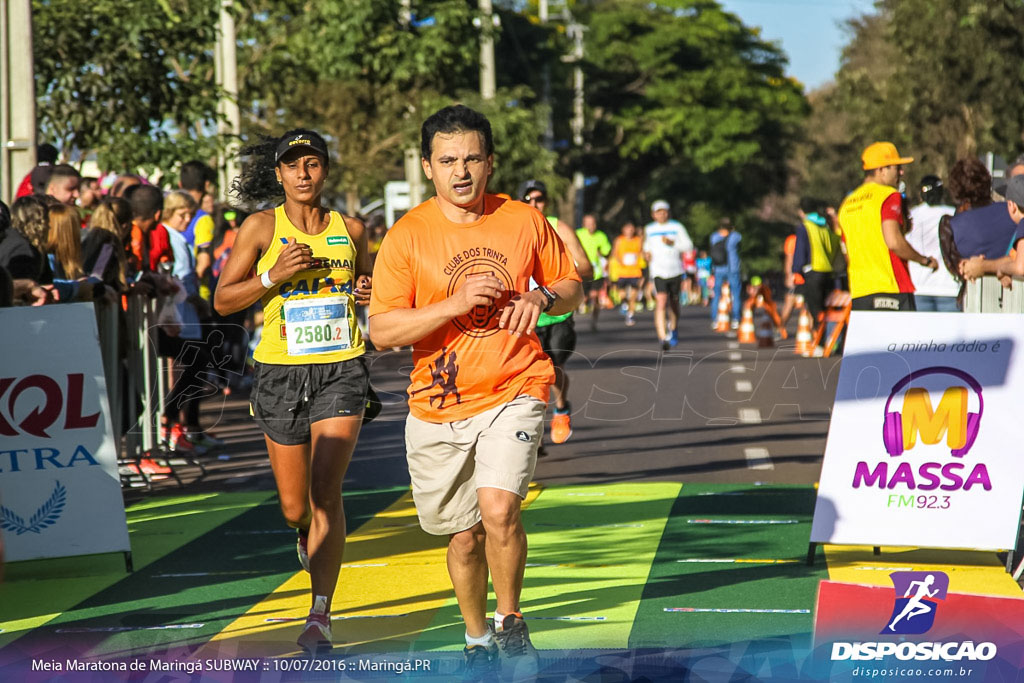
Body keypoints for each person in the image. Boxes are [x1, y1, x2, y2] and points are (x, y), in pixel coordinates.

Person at [369, 106, 582, 678]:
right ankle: (475, 636)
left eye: (470, 159)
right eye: (447, 161)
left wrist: (543, 299)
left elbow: (571, 283)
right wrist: (454, 305)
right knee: (462, 538)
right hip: (438, 404)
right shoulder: (408, 235)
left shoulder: (521, 219)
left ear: (489, 163)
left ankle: (511, 623)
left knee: (499, 510)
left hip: (517, 382)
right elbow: (382, 330)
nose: (460, 172)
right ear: (426, 167)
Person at [213, 129, 372, 654]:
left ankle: (319, 613)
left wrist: (369, 290)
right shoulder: (261, 226)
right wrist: (271, 275)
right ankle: (301, 532)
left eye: (313, 163)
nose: (303, 173)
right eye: (293, 165)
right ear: (278, 174)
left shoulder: (352, 228)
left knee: (327, 491)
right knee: (292, 507)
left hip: (341, 368)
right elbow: (222, 301)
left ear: (326, 171)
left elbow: (369, 285)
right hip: (280, 373)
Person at [517, 179, 591, 447]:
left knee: (552, 369)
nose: (534, 204)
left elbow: (586, 267)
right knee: (530, 376)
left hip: (557, 312)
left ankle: (561, 408)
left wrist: (559, 279)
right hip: (526, 316)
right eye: (529, 199)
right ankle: (533, 435)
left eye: (539, 198)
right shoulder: (513, 229)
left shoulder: (559, 228)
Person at [837, 142, 937, 311]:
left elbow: (846, 252)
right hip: (891, 288)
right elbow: (894, 242)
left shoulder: (847, 204)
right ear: (881, 170)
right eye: (896, 167)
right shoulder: (889, 195)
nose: (901, 172)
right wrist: (924, 260)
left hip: (860, 292)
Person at [940, 157, 1019, 287]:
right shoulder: (1014, 211)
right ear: (987, 181)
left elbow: (957, 270)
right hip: (1014, 292)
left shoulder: (950, 225)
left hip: (974, 294)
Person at [643, 200, 692, 349]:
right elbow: (646, 247)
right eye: (658, 212)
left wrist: (673, 243)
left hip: (675, 270)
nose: (661, 214)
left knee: (674, 303)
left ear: (668, 213)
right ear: (653, 214)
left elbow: (689, 246)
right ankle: (662, 336)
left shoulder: (676, 227)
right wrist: (646, 255)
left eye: (664, 211)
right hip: (658, 271)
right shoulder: (649, 229)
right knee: (661, 301)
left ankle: (674, 329)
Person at [905, 175, 957, 311]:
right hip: (949, 286)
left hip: (919, 286)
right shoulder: (954, 213)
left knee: (922, 332)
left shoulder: (911, 215)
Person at [791, 200, 841, 321]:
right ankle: (830, 337)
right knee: (827, 310)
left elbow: (801, 250)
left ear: (801, 211)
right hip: (828, 271)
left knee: (816, 312)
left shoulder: (805, 226)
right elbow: (834, 245)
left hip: (812, 271)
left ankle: (820, 337)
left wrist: (796, 269)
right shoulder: (825, 226)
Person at [576, 214, 611, 331]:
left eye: (593, 223)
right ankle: (577, 314)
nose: (591, 226)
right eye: (588, 224)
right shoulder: (578, 234)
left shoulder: (601, 236)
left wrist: (602, 253)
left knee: (594, 296)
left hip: (597, 272)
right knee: (583, 297)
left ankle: (594, 321)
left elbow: (607, 251)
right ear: (584, 224)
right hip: (582, 270)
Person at [709, 217, 743, 327]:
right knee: (735, 294)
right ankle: (736, 319)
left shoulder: (714, 237)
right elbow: (739, 242)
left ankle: (715, 319)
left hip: (718, 268)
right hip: (732, 268)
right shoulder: (735, 236)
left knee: (717, 294)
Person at [611, 221, 644, 326]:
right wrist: (619, 260)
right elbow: (615, 253)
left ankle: (630, 315)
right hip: (622, 271)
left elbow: (641, 252)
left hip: (635, 271)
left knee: (633, 296)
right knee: (622, 294)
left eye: (631, 229)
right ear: (623, 230)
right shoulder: (619, 240)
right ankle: (625, 303)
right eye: (627, 229)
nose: (629, 231)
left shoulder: (638, 240)